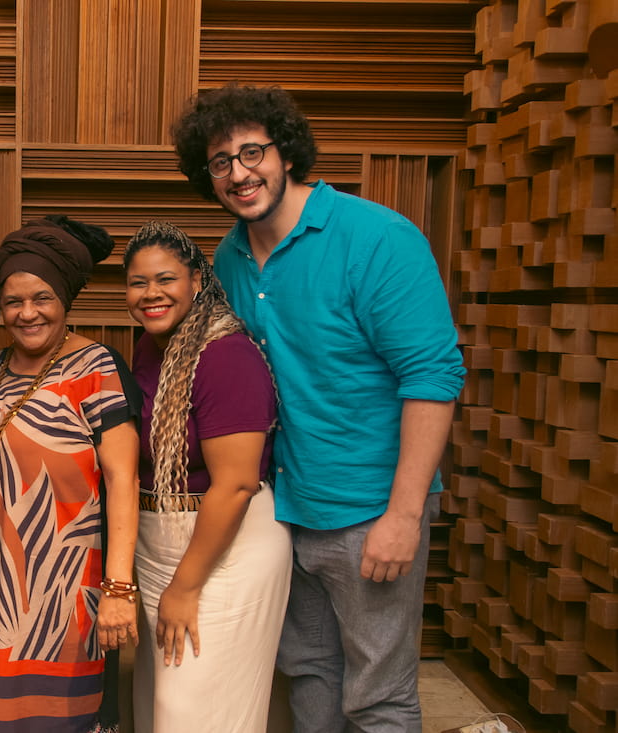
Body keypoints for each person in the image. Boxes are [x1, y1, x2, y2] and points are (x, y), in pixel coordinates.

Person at [171, 83, 466, 732]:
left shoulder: (378, 237)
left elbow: (433, 376)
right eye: (220, 162)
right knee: (309, 677)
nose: (239, 173)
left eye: (253, 152)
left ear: (287, 152)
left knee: (378, 698)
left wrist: (404, 514)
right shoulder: (231, 256)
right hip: (284, 512)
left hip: (369, 508)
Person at [0, 216, 140, 732]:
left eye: (42, 298)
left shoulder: (97, 368)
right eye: (13, 301)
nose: (27, 313)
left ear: (65, 301)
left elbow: (123, 480)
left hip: (57, 606)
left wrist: (119, 589)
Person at [124, 220, 291, 733]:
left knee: (195, 716)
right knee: (156, 708)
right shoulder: (152, 347)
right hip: (161, 543)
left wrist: (186, 585)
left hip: (225, 550)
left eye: (165, 279)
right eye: (137, 282)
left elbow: (237, 483)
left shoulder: (225, 354)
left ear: (197, 280)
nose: (151, 294)